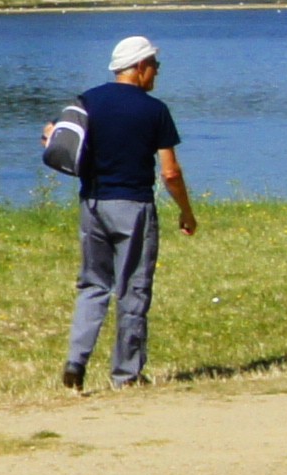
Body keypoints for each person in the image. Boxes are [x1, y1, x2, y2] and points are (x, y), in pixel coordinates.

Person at [52, 32, 199, 392]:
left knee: (92, 285)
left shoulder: (86, 101)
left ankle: (76, 360)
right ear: (139, 68)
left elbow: (61, 143)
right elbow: (170, 172)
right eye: (155, 67)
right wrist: (186, 212)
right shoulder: (155, 110)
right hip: (134, 206)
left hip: (93, 204)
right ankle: (125, 374)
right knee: (133, 289)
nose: (157, 74)